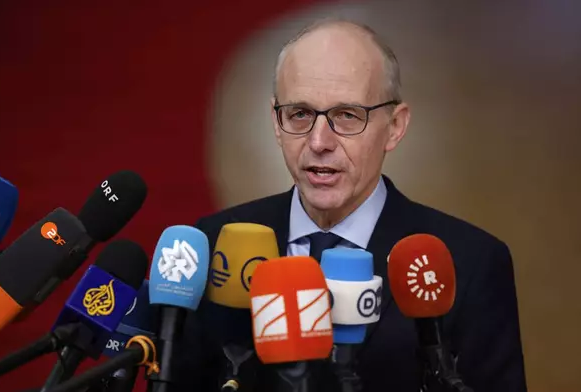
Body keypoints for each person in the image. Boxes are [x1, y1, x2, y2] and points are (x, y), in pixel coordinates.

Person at [178, 18, 527, 391]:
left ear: (395, 126)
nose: (319, 141)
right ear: (276, 123)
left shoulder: (470, 263)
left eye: (347, 115)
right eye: (300, 114)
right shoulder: (214, 244)